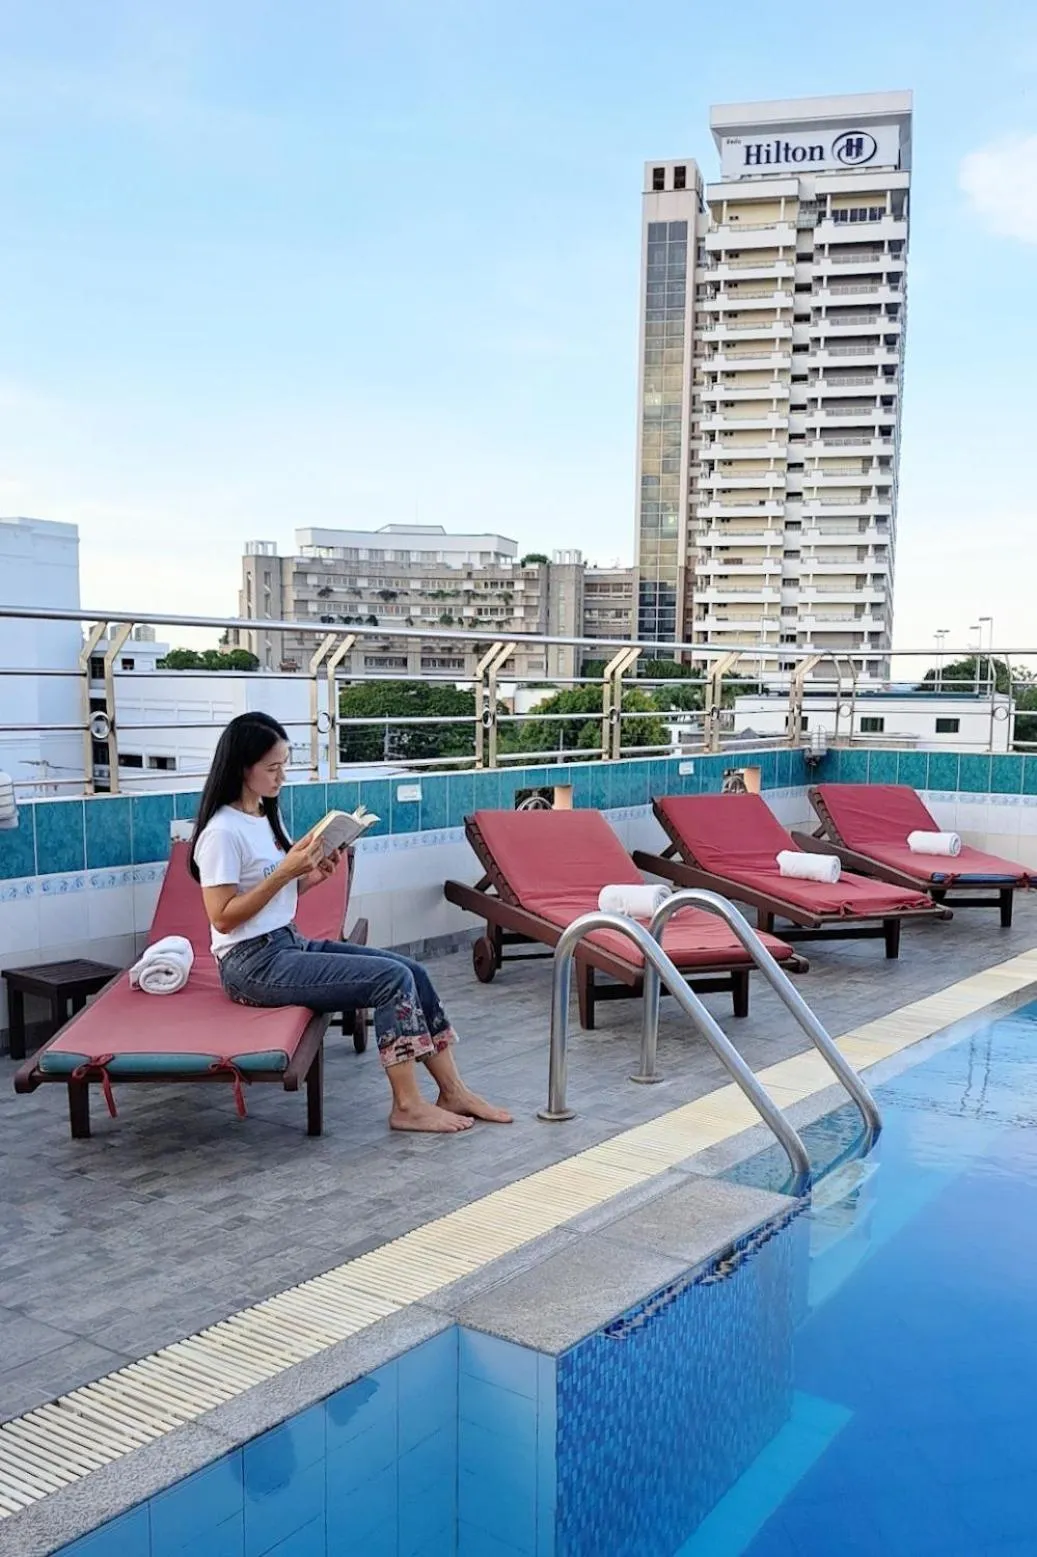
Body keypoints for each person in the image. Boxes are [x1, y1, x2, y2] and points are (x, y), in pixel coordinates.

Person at [189, 712, 511, 1135]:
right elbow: (223, 918)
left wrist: (309, 878)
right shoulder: (221, 833)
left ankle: (452, 1089)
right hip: (251, 966)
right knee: (391, 980)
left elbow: (269, 897)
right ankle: (407, 1106)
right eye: (272, 768)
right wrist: (286, 873)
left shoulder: (264, 816)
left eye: (285, 764)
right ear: (241, 767)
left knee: (414, 971)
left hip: (286, 944)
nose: (282, 776)